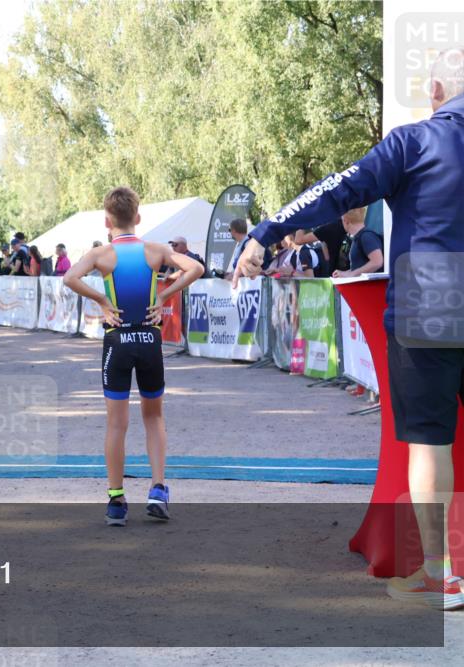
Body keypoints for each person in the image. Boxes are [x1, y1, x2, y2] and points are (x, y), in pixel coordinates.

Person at [235, 47, 464, 610]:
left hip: (430, 297)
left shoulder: (415, 141)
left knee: (430, 440)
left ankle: (441, 576)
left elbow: (337, 190)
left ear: (436, 91)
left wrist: (268, 231)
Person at [64, 186, 204, 527]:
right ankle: (157, 490)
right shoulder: (155, 250)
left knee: (117, 423)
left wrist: (102, 301)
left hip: (118, 341)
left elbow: (70, 278)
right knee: (154, 417)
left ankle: (116, 500)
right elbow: (196, 268)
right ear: (138, 218)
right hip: (148, 339)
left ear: (106, 221)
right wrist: (165, 296)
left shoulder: (101, 254)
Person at [332, 206, 383, 278]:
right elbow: (358, 267)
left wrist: (351, 274)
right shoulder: (360, 237)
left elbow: (377, 262)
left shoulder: (366, 236)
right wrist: (344, 274)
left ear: (346, 221)